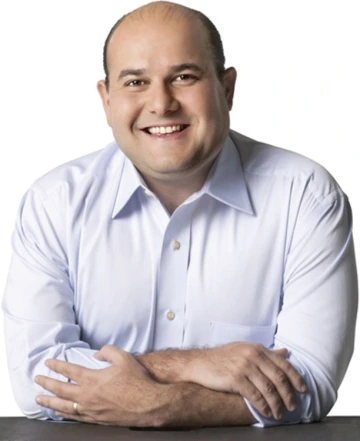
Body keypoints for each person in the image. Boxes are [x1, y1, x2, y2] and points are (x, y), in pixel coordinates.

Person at [2, 0, 358, 429]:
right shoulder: (53, 204)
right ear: (107, 99)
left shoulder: (306, 197)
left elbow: (310, 384)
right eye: (136, 82)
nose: (162, 103)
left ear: (226, 89)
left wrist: (166, 406)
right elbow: (36, 379)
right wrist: (192, 365)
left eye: (184, 77)